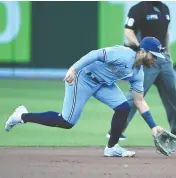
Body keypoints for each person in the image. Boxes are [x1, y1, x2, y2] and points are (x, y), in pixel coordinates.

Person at [5, 37, 165, 157]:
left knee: (124, 108)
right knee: (67, 122)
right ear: (143, 51)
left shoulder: (138, 74)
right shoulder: (123, 54)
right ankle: (22, 116)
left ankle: (112, 147)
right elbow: (95, 54)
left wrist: (153, 126)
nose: (156, 60)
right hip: (82, 78)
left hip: (103, 84)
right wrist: (74, 69)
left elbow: (139, 101)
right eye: (154, 55)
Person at [107, 1, 176, 141]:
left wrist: (169, 56)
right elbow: (128, 31)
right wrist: (140, 47)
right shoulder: (139, 9)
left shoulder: (164, 8)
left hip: (163, 57)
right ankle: (116, 130)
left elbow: (166, 33)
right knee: (135, 95)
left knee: (171, 93)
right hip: (148, 59)